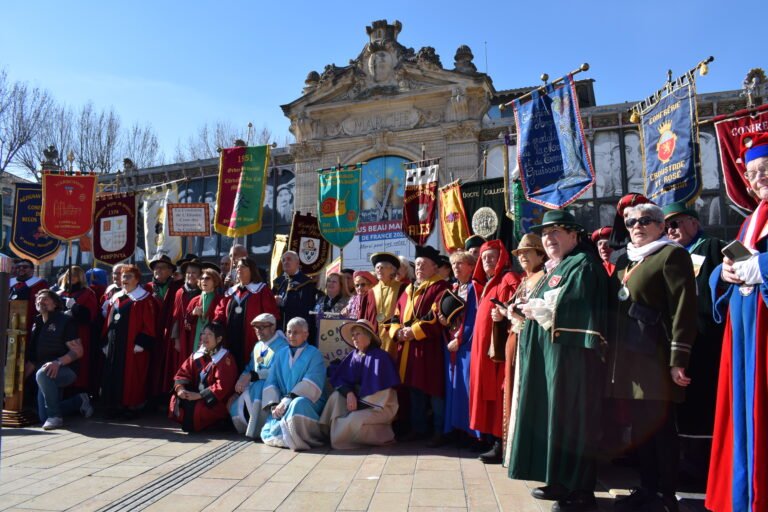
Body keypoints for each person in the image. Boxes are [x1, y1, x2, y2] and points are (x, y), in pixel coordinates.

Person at [507, 210, 608, 512]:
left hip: (572, 361)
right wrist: (524, 308)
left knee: (572, 421)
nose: (549, 239)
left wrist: (541, 309)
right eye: (545, 234)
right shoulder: (558, 267)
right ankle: (558, 479)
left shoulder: (585, 265)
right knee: (554, 420)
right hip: (551, 359)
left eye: (556, 232)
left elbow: (581, 308)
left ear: (574, 235)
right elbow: (545, 304)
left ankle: (580, 491)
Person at [606, 203, 697, 512]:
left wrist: (678, 360)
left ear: (660, 226)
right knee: (639, 427)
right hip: (628, 359)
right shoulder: (623, 262)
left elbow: (683, 310)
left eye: (646, 221)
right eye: (631, 222)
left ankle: (667, 495)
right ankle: (646, 488)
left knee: (661, 428)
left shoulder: (671, 255)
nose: (637, 226)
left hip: (657, 356)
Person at [707, 133, 768, 512]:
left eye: (764, 170)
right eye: (751, 173)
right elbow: (728, 274)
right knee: (743, 420)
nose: (757, 178)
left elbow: (757, 266)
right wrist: (723, 273)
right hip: (744, 338)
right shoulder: (750, 222)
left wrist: (760, 266)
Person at [662, 201, 727, 487]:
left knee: (702, 400)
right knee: (682, 402)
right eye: (668, 225)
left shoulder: (711, 247)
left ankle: (701, 468)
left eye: (677, 223)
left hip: (705, 339)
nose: (672, 229)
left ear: (693, 222)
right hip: (676, 339)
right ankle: (684, 463)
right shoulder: (670, 254)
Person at [389, 245, 450, 445]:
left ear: (435, 267)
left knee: (433, 390)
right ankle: (418, 428)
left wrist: (412, 332)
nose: (419, 268)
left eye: (424, 265)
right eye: (418, 265)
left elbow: (435, 316)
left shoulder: (440, 288)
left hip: (429, 348)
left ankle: (439, 431)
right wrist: (397, 331)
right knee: (415, 390)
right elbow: (396, 314)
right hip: (409, 348)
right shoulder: (409, 289)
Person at [470, 240, 520, 463]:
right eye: (484, 257)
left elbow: (516, 311)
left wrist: (504, 316)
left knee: (500, 394)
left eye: (493, 256)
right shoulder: (486, 283)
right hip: (484, 352)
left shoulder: (509, 279)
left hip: (498, 351)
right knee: (487, 395)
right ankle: (492, 439)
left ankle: (501, 442)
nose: (488, 260)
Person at [319, 319, 400, 449]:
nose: (354, 338)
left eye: (358, 334)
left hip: (379, 406)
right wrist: (349, 393)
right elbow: (342, 378)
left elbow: (380, 396)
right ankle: (325, 432)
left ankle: (384, 436)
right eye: (353, 335)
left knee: (352, 420)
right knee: (335, 397)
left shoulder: (380, 358)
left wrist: (354, 402)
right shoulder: (354, 355)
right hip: (359, 402)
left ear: (368, 336)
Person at [502, 234, 547, 462]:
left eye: (527, 252)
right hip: (517, 340)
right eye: (520, 254)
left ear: (540, 253)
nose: (522, 257)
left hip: (531, 343)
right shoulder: (524, 279)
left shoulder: (543, 277)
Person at [25, 289, 90, 430]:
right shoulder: (37, 322)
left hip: (66, 370)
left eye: (45, 299)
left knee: (42, 374)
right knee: (43, 417)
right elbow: (33, 359)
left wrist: (57, 362)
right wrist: (19, 381)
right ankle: (79, 401)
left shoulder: (65, 321)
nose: (40, 301)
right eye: (38, 299)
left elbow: (78, 351)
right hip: (44, 374)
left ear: (55, 304)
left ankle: (55, 418)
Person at [101, 265, 161, 417]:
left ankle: (130, 407)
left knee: (132, 376)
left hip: (132, 346)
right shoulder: (116, 297)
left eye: (128, 276)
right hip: (115, 343)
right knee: (113, 372)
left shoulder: (144, 299)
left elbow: (149, 324)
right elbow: (108, 321)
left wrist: (141, 344)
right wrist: (106, 341)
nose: (124, 279)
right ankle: (113, 405)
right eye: (122, 276)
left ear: (137, 279)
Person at [260, 317, 327, 451]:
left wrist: (288, 399)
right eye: (289, 332)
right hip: (283, 401)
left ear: (306, 334)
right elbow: (271, 381)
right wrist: (274, 405)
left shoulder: (315, 354)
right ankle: (286, 435)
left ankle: (300, 438)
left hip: (310, 401)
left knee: (297, 404)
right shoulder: (280, 354)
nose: (291, 336)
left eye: (296, 332)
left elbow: (311, 383)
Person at [169, 322, 238, 433]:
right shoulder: (196, 355)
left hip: (214, 400)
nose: (204, 337)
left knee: (197, 408)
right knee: (177, 399)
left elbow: (223, 386)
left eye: (209, 334)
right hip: (196, 395)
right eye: (203, 334)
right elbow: (182, 373)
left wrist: (199, 396)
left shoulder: (225, 358)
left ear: (219, 339)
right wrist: (180, 389)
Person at [214, 256, 279, 370]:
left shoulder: (261, 290)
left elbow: (271, 315)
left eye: (243, 266)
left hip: (253, 339)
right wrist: (216, 325)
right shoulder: (231, 292)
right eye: (237, 266)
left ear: (252, 270)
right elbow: (220, 311)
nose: (239, 269)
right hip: (231, 338)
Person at [229, 313, 288, 439]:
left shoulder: (282, 346)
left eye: (262, 327)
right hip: (255, 385)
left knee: (260, 387)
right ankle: (251, 428)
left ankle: (258, 429)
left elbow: (277, 371)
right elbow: (250, 367)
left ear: (273, 328)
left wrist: (252, 375)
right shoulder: (258, 346)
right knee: (234, 404)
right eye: (256, 327)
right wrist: (241, 379)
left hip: (275, 389)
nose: (258, 331)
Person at [440, 250, 479, 440]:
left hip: (467, 345)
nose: (456, 267)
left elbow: (473, 318)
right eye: (454, 264)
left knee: (466, 387)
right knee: (454, 387)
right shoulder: (454, 288)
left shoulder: (474, 288)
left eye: (460, 264)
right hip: (452, 343)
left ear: (471, 267)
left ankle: (471, 434)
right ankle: (455, 430)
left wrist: (460, 338)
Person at [145, 255, 183, 401]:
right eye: (156, 267)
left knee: (167, 365)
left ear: (170, 271)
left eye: (163, 267)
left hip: (168, 334)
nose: (158, 270)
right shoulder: (146, 288)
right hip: (151, 332)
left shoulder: (176, 287)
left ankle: (165, 396)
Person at [162, 258, 203, 392]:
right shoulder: (179, 292)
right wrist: (177, 339)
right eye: (188, 273)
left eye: (194, 273)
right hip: (183, 335)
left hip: (198, 334)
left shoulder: (204, 293)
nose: (191, 275)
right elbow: (175, 317)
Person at [56, 266, 98, 393]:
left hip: (79, 332)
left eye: (75, 275)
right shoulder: (59, 293)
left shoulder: (88, 293)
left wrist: (75, 308)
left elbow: (90, 315)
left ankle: (78, 391)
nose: (72, 278)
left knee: (79, 361)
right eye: (69, 275)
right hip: (61, 333)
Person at [360, 252, 406, 360]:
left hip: (395, 338)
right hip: (375, 338)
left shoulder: (403, 288)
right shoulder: (370, 293)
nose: (379, 270)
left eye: (383, 267)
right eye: (377, 267)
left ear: (392, 270)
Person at [271, 251, 317, 343]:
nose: (285, 262)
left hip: (297, 331)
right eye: (283, 260)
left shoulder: (306, 283)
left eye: (289, 259)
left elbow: (306, 308)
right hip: (279, 330)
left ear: (297, 263)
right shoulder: (278, 282)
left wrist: (284, 303)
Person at [184, 268, 225, 357]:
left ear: (214, 281)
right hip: (195, 339)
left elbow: (221, 320)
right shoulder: (194, 300)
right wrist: (193, 314)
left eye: (207, 278)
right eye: (202, 278)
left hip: (213, 340)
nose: (204, 281)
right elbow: (186, 323)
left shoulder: (220, 300)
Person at [9, 258, 49, 341]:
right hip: (8, 321)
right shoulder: (8, 283)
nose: (21, 269)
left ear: (32, 269)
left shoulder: (40, 283)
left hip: (31, 322)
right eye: (18, 267)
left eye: (25, 267)